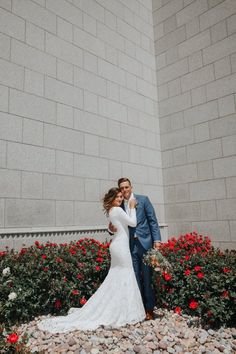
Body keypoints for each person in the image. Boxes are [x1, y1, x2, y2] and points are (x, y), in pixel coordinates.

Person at [37, 187, 145, 333]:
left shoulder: (112, 211)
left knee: (117, 277)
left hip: (118, 244)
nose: (120, 199)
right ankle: (123, 312)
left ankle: (119, 309)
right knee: (124, 274)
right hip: (120, 246)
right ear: (112, 198)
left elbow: (116, 227)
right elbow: (133, 223)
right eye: (117, 197)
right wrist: (132, 207)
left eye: (121, 197)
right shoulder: (118, 210)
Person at [109, 178, 161, 320]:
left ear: (131, 187)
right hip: (129, 247)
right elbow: (113, 223)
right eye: (122, 188)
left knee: (147, 277)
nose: (124, 190)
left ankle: (149, 309)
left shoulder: (143, 200)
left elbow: (152, 221)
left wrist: (157, 241)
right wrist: (110, 229)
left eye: (126, 187)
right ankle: (138, 309)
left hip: (145, 244)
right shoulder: (119, 205)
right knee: (135, 278)